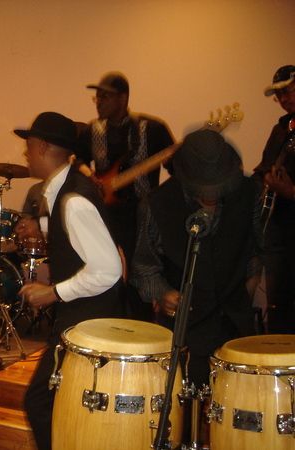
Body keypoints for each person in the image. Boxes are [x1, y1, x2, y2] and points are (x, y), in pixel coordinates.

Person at [14, 112, 125, 450]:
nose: (25, 153)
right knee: (59, 405)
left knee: (40, 403)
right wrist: (42, 230)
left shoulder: (73, 200)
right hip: (80, 320)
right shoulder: (65, 191)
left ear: (43, 147)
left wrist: (53, 292)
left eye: (29, 145)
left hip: (87, 322)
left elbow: (107, 270)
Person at [130, 129, 262, 389]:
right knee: (185, 399)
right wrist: (163, 293)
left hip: (236, 325)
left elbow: (257, 246)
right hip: (185, 330)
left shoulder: (250, 193)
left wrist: (251, 281)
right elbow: (144, 266)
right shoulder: (155, 203)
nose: (212, 194)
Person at [76, 72, 175, 319]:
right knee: (106, 272)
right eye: (97, 98)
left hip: (142, 218)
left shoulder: (152, 129)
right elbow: (76, 160)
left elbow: (177, 169)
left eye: (105, 97)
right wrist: (90, 175)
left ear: (123, 98)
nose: (99, 102)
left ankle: (140, 324)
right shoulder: (92, 130)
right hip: (105, 216)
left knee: (138, 277)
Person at [252, 64, 295, 333]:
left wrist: (291, 192)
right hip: (278, 226)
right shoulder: (281, 129)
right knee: (278, 300)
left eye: (288, 91)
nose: (283, 99)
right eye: (279, 95)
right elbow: (263, 169)